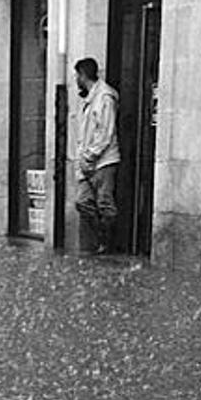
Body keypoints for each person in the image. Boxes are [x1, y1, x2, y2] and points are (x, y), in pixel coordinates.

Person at [74, 57, 120, 255]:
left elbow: (105, 133)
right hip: (88, 162)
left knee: (105, 203)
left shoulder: (104, 97)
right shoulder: (90, 98)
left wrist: (90, 156)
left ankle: (108, 244)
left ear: (83, 76)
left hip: (104, 161)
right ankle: (100, 237)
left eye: (77, 75)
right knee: (83, 201)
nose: (76, 79)